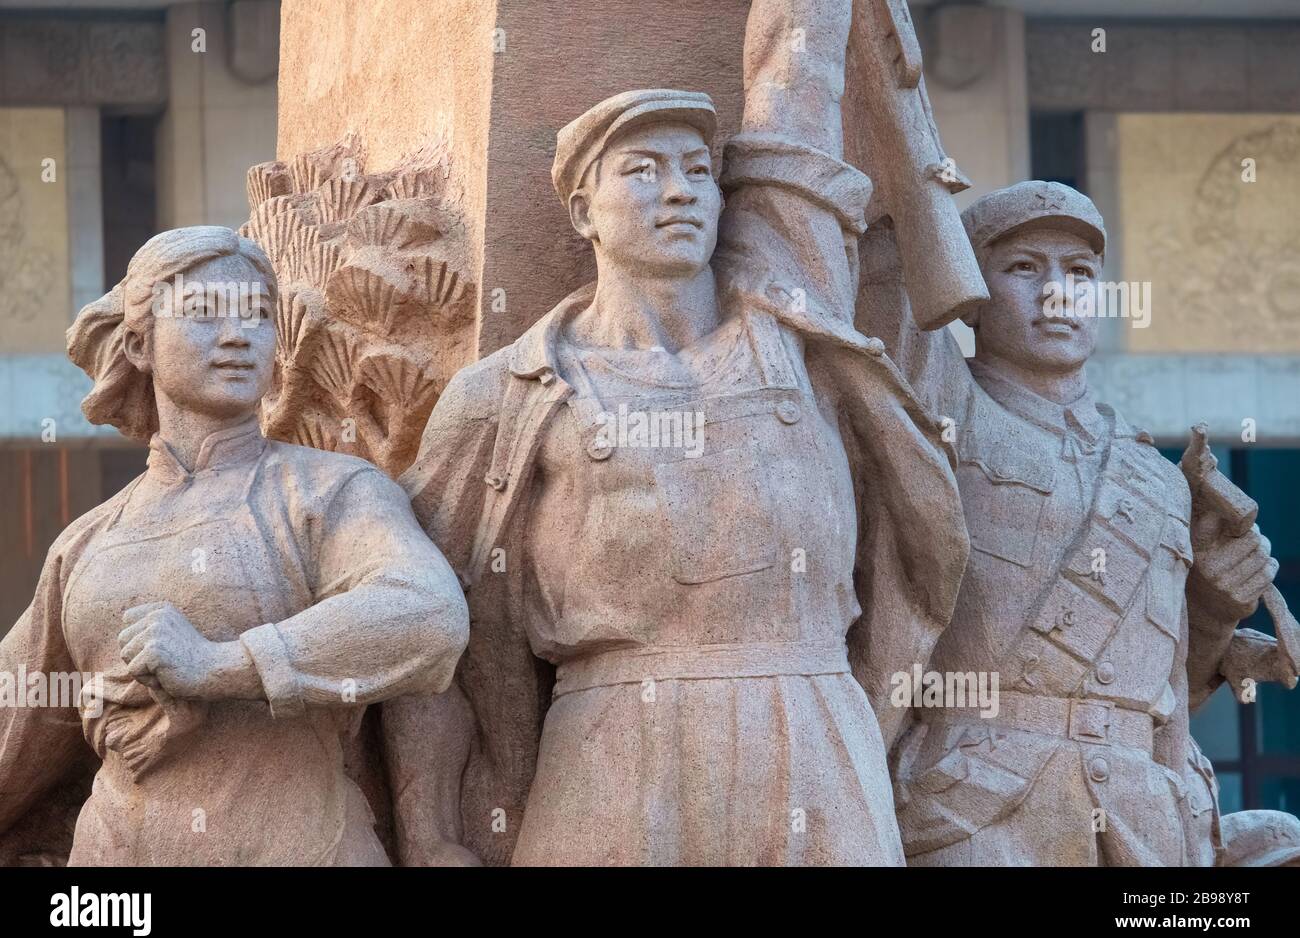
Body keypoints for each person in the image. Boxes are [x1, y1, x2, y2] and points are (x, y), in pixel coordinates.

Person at [387, 0, 969, 865]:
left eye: (700, 170)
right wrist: (432, 835)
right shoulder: (506, 395)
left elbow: (792, 73)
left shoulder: (791, 320)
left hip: (809, 723)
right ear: (583, 209)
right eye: (643, 170)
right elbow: (430, 631)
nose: (680, 191)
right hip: (613, 735)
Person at [0, 226, 469, 865]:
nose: (237, 334)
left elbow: (429, 615)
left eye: (257, 314)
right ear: (140, 343)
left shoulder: (331, 490)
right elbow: (18, 720)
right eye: (204, 313)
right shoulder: (84, 546)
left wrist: (220, 669)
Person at [875, 181, 1281, 865]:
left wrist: (1212, 610)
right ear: (971, 295)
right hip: (977, 805)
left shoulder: (1157, 480)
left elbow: (1161, 705)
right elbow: (886, 278)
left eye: (1080, 273)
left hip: (1142, 817)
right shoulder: (942, 410)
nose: (1057, 292)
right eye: (1024, 269)